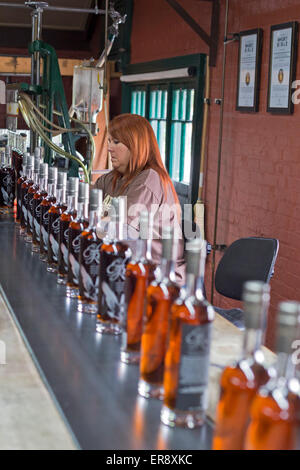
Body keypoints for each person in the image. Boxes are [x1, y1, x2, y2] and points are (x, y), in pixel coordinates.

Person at [94, 113, 185, 284]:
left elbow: (117, 230)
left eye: (116, 142)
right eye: (109, 141)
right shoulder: (114, 177)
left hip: (159, 280)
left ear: (135, 145)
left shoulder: (148, 180)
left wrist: (95, 220)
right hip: (128, 268)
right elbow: (85, 204)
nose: (109, 148)